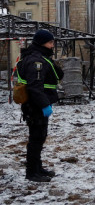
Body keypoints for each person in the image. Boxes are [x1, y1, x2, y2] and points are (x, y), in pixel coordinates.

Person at [16, 29, 63, 182]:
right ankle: (31, 172)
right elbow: (35, 87)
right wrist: (44, 105)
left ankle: (38, 168)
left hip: (37, 104)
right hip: (35, 106)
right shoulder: (36, 61)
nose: (52, 46)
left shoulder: (38, 57)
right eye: (50, 42)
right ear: (42, 43)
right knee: (36, 138)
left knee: (39, 137)